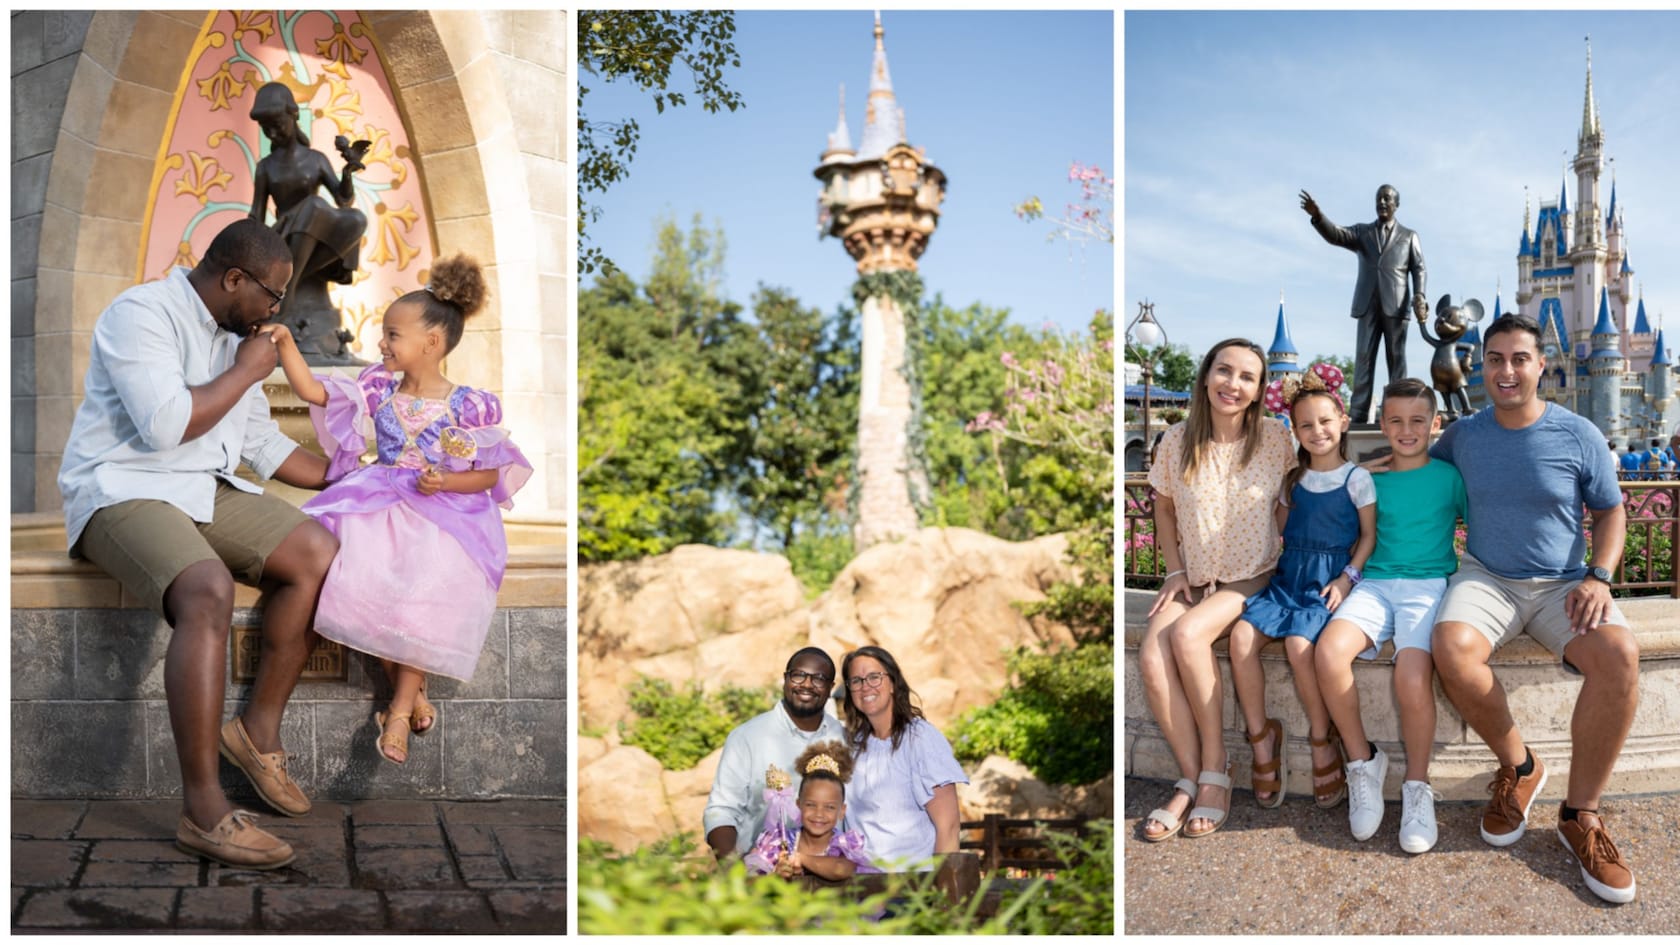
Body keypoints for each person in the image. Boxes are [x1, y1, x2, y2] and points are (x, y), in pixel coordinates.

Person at [56, 217, 338, 870]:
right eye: (272, 295)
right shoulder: (141, 313)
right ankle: (204, 810)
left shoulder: (238, 335)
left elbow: (261, 445)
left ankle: (256, 730)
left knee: (319, 551)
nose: (276, 311)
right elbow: (164, 426)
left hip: (199, 488)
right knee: (207, 588)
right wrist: (245, 371)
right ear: (233, 278)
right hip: (120, 488)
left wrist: (354, 470)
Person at [269, 254, 532, 764]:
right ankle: (412, 694)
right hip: (380, 496)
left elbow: (489, 475)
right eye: (385, 334)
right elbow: (311, 391)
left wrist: (446, 480)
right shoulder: (377, 388)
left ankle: (395, 714)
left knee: (422, 586)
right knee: (365, 580)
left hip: (444, 510)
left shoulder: (468, 406)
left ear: (431, 344)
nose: (381, 343)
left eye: (392, 335)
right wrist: (284, 345)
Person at [1429, 314, 1639, 903]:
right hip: (1487, 576)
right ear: (1482, 367)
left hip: (1563, 584)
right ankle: (1520, 767)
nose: (1507, 370)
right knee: (1451, 647)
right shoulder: (1465, 435)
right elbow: (1412, 467)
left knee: (1620, 654)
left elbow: (1612, 510)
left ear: (1542, 365)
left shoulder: (1579, 434)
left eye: (1519, 358)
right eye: (1494, 359)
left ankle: (1580, 815)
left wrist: (1601, 576)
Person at [1140, 339, 1295, 841]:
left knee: (1187, 637)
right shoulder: (1176, 441)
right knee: (1151, 655)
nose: (1233, 384)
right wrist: (1174, 571)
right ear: (1206, 376)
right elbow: (1163, 508)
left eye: (1247, 377)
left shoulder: (1275, 439)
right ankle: (1189, 777)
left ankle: (1216, 770)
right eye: (1224, 371)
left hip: (1250, 575)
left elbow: (1292, 501)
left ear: (1258, 390)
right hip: (1196, 575)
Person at [1315, 378, 1467, 852]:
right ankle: (1363, 761)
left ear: (1434, 424)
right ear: (1382, 423)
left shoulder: (1449, 477)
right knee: (1328, 652)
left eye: (1417, 420)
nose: (1406, 429)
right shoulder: (1367, 478)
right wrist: (1358, 467)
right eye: (1396, 420)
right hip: (1375, 583)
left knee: (1411, 676)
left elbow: (1484, 529)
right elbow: (1311, 494)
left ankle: (1417, 787)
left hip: (1426, 587)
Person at [1227, 362, 1375, 812]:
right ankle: (1260, 737)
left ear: (1343, 423)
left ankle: (1319, 737)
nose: (1317, 431)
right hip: (1288, 579)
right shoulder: (1293, 480)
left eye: (1326, 421)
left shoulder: (1357, 479)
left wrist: (1347, 579)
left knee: (1297, 644)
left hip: (1326, 581)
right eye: (1305, 424)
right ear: (1293, 429)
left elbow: (1367, 537)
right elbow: (1281, 531)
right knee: (1239, 637)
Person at [248, 81, 367, 356]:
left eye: (277, 124)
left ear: (293, 116)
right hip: (282, 237)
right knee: (313, 204)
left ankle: (290, 283)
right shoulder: (266, 167)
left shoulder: (315, 159)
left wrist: (347, 173)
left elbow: (343, 200)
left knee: (357, 219)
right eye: (266, 128)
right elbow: (256, 214)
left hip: (316, 235)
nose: (273, 133)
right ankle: (286, 297)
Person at [1300, 185, 1429, 423]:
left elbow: (1419, 268)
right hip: (1367, 304)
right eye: (1378, 198)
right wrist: (1318, 216)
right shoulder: (1363, 232)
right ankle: (1358, 415)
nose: (1382, 202)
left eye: (1387, 199)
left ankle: (1398, 411)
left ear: (1396, 205)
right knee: (1363, 359)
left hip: (1397, 305)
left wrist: (1419, 295)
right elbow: (1336, 235)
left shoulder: (1409, 236)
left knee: (1396, 360)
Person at [704, 648, 849, 861]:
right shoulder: (747, 737)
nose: (807, 684)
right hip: (763, 879)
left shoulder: (845, 739)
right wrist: (733, 871)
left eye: (819, 679)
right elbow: (722, 811)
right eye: (799, 675)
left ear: (830, 688)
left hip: (832, 879)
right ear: (785, 679)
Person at [840, 646, 969, 869]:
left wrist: (940, 895)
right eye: (856, 681)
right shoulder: (852, 745)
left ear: (892, 683)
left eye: (874, 677)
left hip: (910, 890)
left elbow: (948, 827)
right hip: (860, 891)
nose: (865, 687)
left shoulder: (921, 739)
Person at [744, 740, 880, 881]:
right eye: (811, 805)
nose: (819, 814)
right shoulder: (779, 841)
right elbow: (752, 877)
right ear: (798, 805)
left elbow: (841, 869)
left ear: (842, 811)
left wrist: (800, 858)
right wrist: (775, 874)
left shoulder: (843, 844)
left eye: (830, 807)